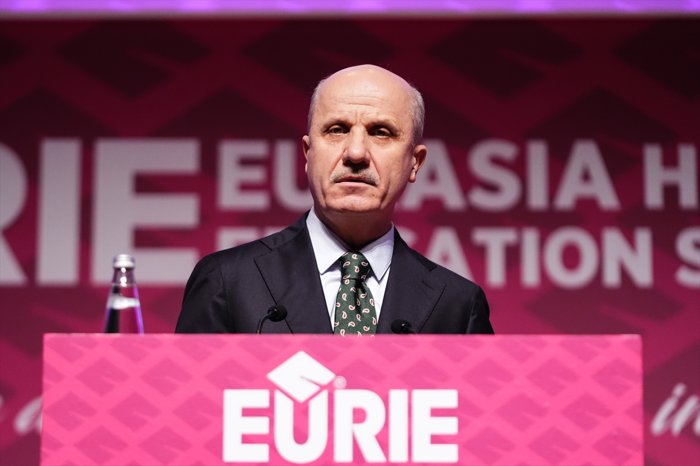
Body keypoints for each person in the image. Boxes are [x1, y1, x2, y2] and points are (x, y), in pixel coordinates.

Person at [176, 64, 493, 334]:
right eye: (337, 130)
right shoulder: (228, 281)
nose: (355, 153)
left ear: (415, 163)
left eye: (381, 132)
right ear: (308, 153)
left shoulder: (458, 305)